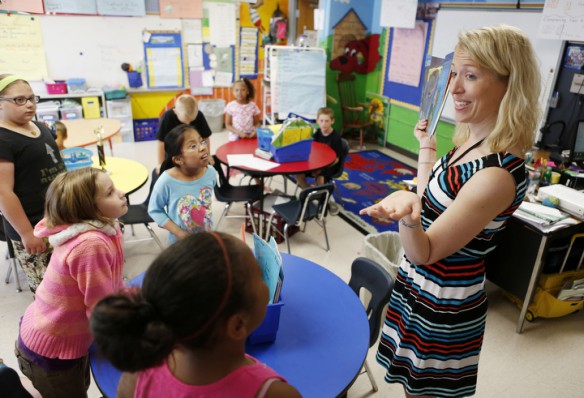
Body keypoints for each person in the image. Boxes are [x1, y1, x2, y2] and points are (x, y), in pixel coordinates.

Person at [360, 25, 541, 398]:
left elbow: (423, 251)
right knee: (414, 388)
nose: (454, 88)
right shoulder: (469, 141)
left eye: (470, 76)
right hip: (420, 289)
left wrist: (409, 215)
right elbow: (430, 203)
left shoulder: (495, 174)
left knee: (424, 393)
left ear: (508, 85)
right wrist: (427, 150)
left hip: (442, 303)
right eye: (454, 73)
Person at [90, 232, 301, 398]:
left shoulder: (138, 374)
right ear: (237, 325)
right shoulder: (274, 394)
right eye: (258, 275)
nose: (265, 283)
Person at [14, 167, 127, 398]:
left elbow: (112, 281)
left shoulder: (106, 229)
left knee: (80, 385)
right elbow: (101, 308)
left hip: (71, 339)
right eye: (110, 192)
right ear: (89, 210)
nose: (121, 193)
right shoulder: (90, 245)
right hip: (51, 352)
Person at [0, 74, 66, 293]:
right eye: (19, 99)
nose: (29, 104)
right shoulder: (3, 139)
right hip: (34, 225)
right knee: (49, 290)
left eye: (31, 98)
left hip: (60, 215)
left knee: (68, 279)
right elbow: (4, 193)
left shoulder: (40, 127)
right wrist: (27, 233)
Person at [148, 124, 217, 245]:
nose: (202, 147)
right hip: (179, 244)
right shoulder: (166, 181)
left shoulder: (210, 173)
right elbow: (154, 210)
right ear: (178, 159)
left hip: (206, 239)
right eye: (193, 146)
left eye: (202, 142)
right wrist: (179, 233)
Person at [155, 94, 213, 166]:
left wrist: (207, 155)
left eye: (191, 121)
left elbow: (205, 137)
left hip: (194, 153)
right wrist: (160, 163)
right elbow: (161, 142)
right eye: (185, 121)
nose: (188, 123)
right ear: (175, 112)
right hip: (173, 154)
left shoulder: (199, 115)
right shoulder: (167, 117)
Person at [294, 107, 343, 189]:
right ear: (317, 121)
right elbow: (312, 150)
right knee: (298, 174)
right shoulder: (317, 133)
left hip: (330, 165)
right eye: (321, 121)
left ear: (332, 121)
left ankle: (320, 195)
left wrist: (321, 169)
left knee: (320, 177)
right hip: (317, 163)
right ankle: (307, 191)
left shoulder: (336, 138)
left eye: (327, 121)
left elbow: (337, 159)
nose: (324, 124)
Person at [225, 78, 261, 142]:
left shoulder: (253, 106)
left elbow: (257, 123)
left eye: (243, 90)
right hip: (235, 136)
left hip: (250, 136)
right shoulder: (230, 106)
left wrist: (256, 131)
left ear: (248, 91)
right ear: (233, 92)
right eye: (236, 90)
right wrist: (239, 133)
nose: (239, 93)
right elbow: (228, 125)